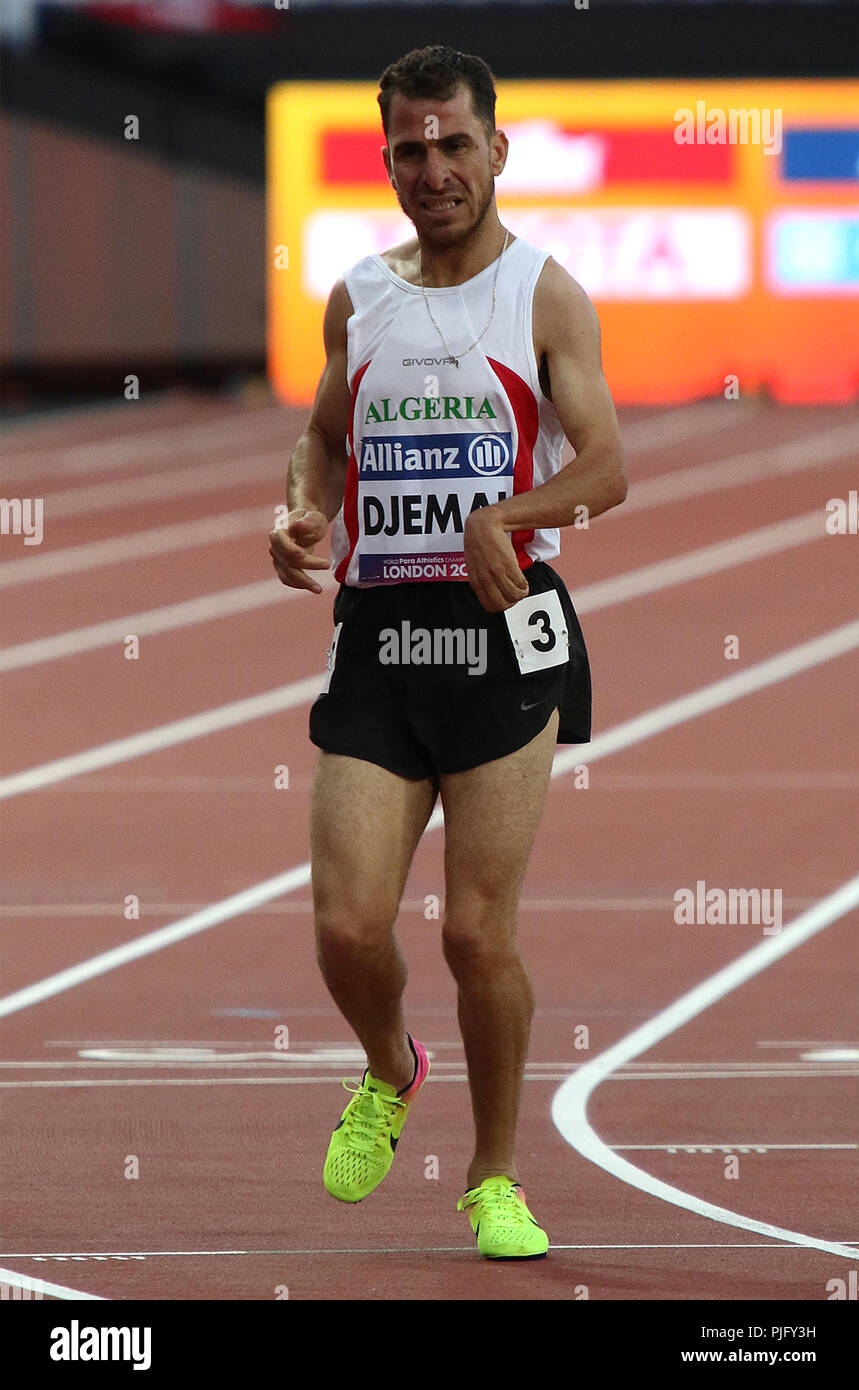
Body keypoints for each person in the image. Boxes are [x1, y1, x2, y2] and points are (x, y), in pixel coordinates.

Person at [269, 44, 627, 1260]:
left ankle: (493, 1177)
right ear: (386, 161)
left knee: (475, 935)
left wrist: (508, 518)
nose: (433, 169)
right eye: (409, 150)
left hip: (503, 645)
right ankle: (388, 1066)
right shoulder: (359, 297)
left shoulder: (542, 294)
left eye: (453, 144)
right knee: (344, 926)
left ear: (496, 150)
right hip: (379, 638)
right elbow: (320, 442)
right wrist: (298, 513)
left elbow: (604, 467)